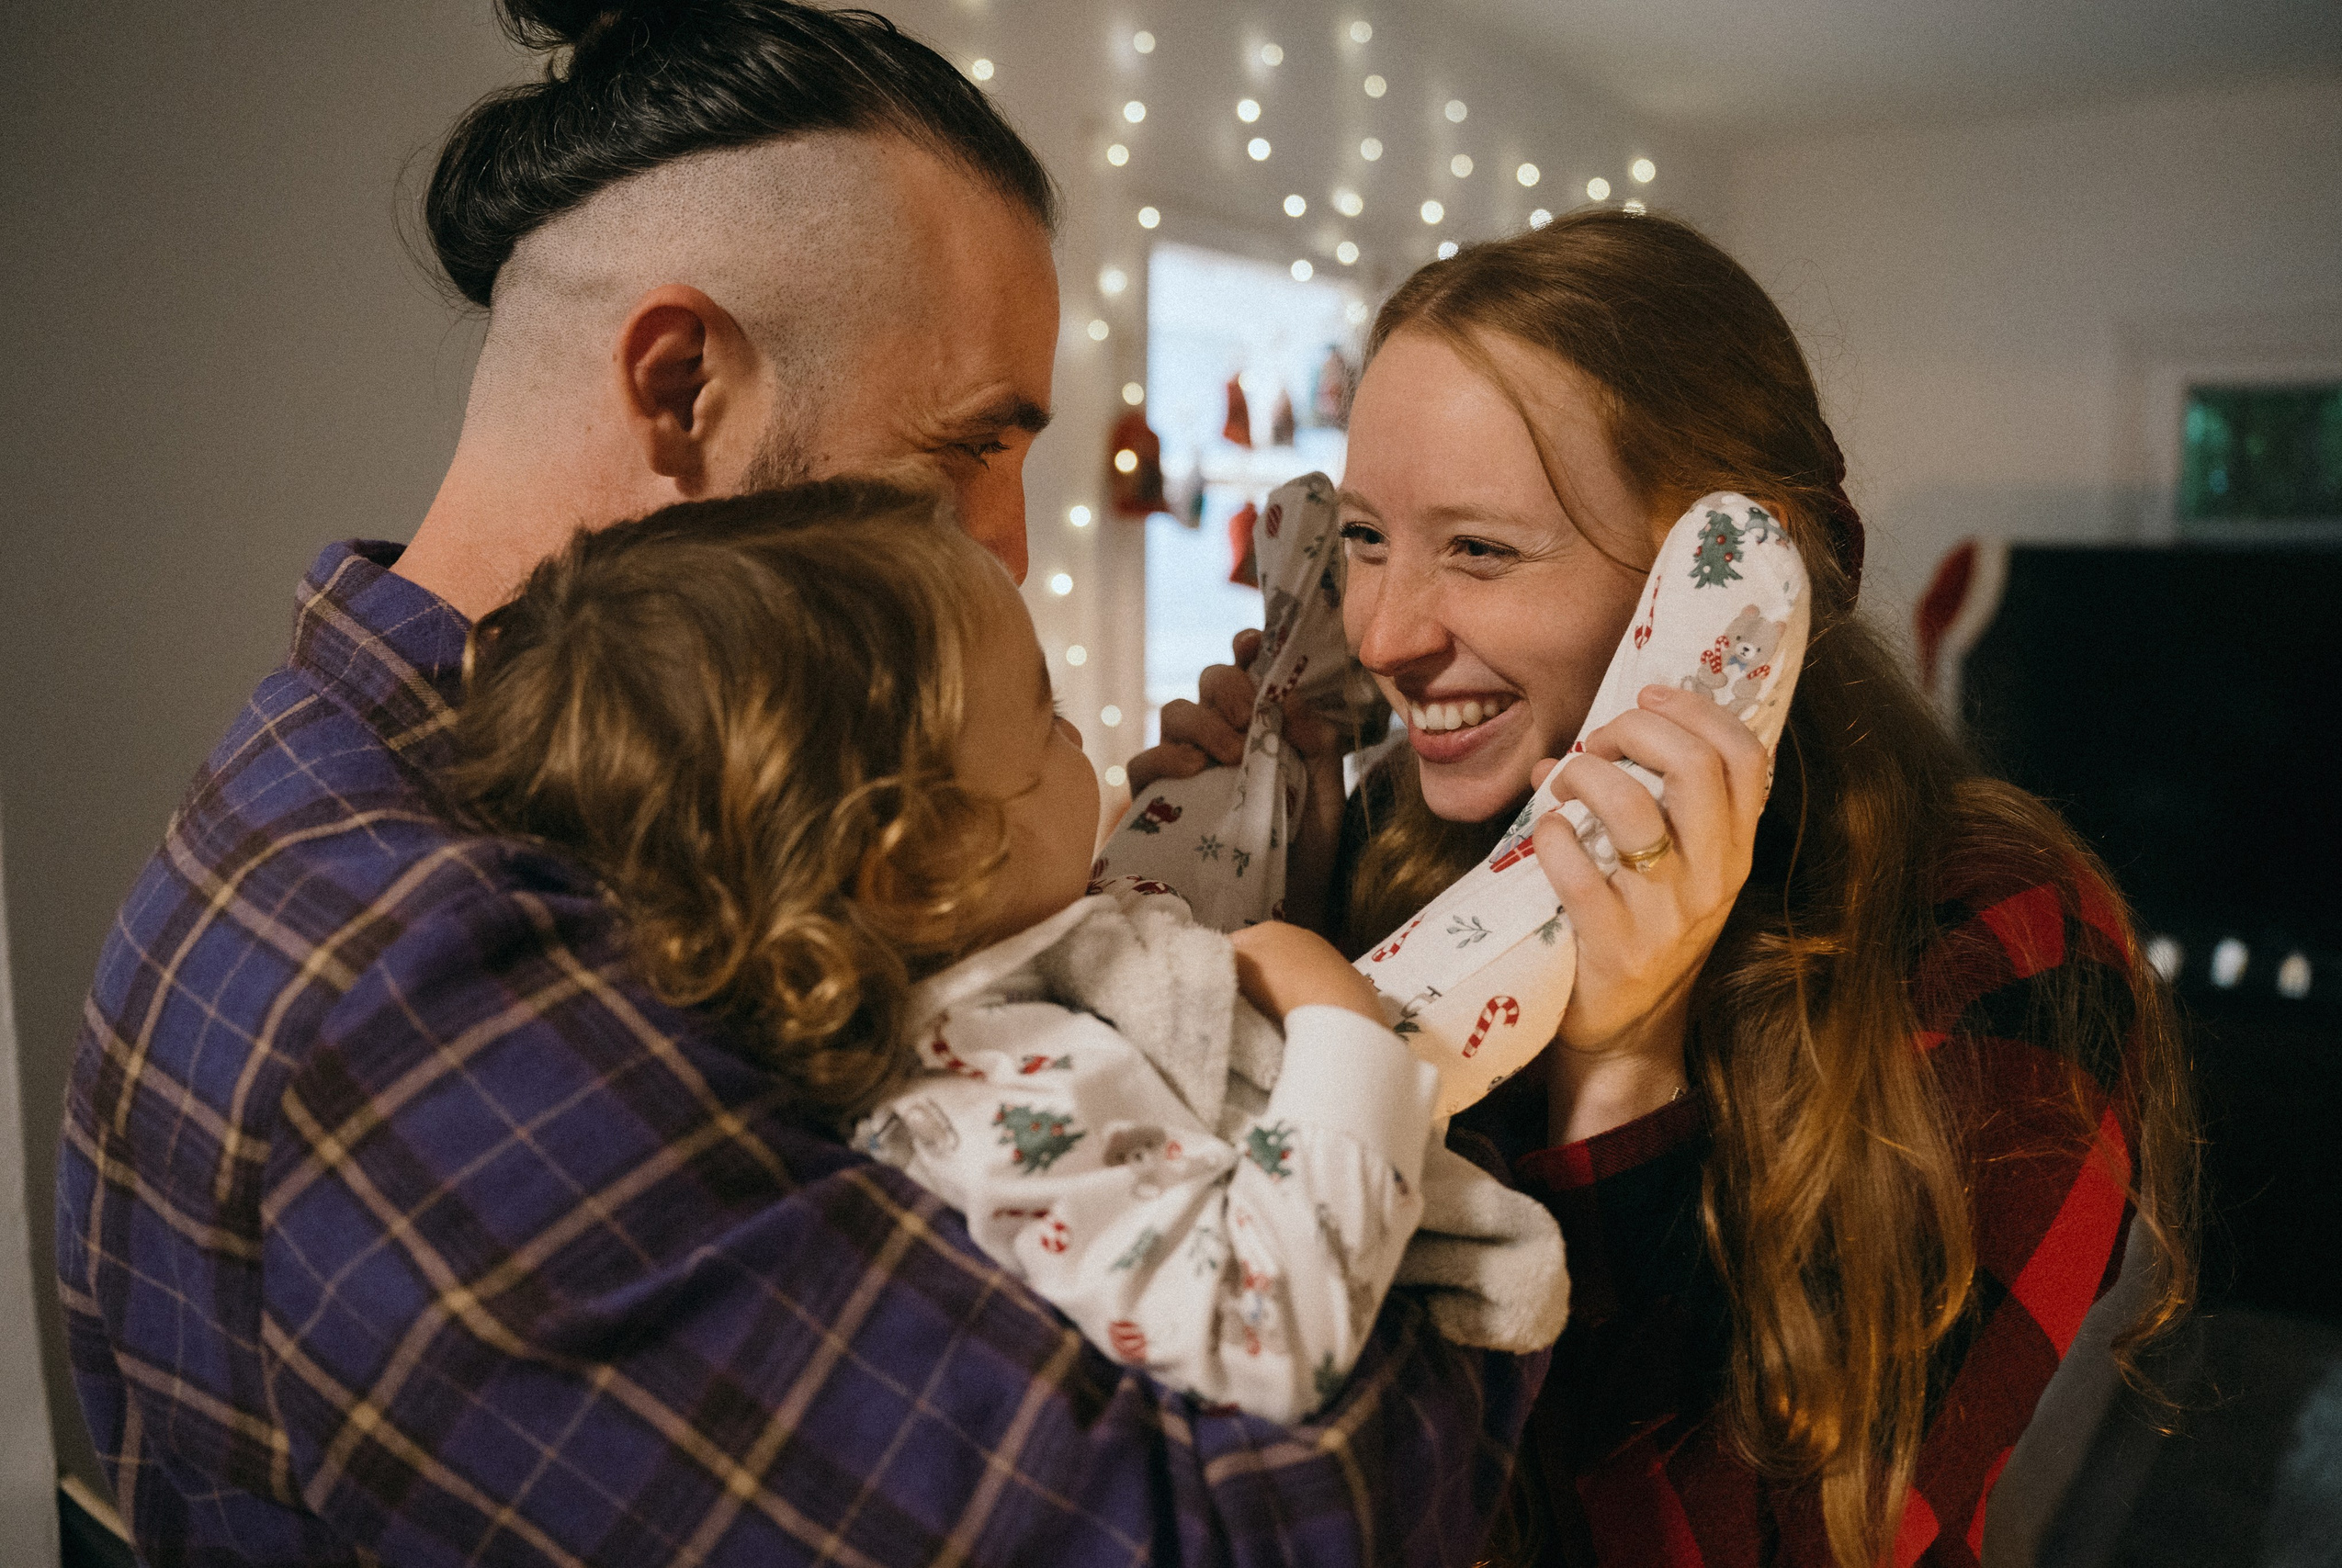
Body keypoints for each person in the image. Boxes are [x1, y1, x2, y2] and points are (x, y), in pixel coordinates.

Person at [53, 5, 1540, 1563]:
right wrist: (1458, 1073)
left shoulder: (369, 774)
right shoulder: (441, 988)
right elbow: (1228, 1535)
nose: (1011, 549)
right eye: (964, 449)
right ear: (683, 386)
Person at [1133, 209, 2198, 1567]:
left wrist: (1622, 1079)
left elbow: (1786, 1536)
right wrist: (1238, 924)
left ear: (1731, 591)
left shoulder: (2002, 940)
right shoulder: (1399, 832)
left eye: (1480, 549)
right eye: (1363, 536)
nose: (1387, 634)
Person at [442, 478, 1563, 1426]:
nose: (1085, 744)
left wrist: (1241, 808)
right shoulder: (987, 1111)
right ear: (921, 865)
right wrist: (1338, 1031)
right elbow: (1260, 1335)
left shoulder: (990, 975)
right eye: (1045, 723)